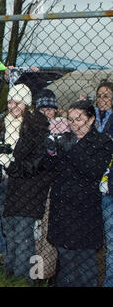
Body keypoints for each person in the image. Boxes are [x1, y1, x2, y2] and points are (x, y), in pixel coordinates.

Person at [46, 100, 113, 287]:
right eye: (71, 119)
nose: (74, 124)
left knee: (85, 262)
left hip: (85, 212)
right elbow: (51, 169)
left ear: (91, 119)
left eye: (79, 119)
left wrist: (70, 149)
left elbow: (93, 170)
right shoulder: (65, 138)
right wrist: (50, 152)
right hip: (62, 208)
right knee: (66, 261)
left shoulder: (103, 142)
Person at [0, 83, 50, 282]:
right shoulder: (2, 123)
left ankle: (23, 280)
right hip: (5, 187)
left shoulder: (36, 126)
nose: (13, 105)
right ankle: (10, 277)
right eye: (10, 101)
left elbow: (33, 165)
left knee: (24, 237)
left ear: (27, 104)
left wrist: (10, 163)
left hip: (27, 188)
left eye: (18, 102)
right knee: (10, 234)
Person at [34, 89, 70, 281]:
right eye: (43, 109)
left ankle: (45, 274)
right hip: (33, 187)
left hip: (53, 187)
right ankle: (34, 274)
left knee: (48, 231)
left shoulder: (62, 128)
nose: (47, 112)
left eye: (50, 109)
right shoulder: (31, 127)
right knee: (34, 232)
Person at [94, 80, 113, 287]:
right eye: (100, 95)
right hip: (90, 188)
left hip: (109, 188)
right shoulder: (91, 119)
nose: (102, 99)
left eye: (107, 95)